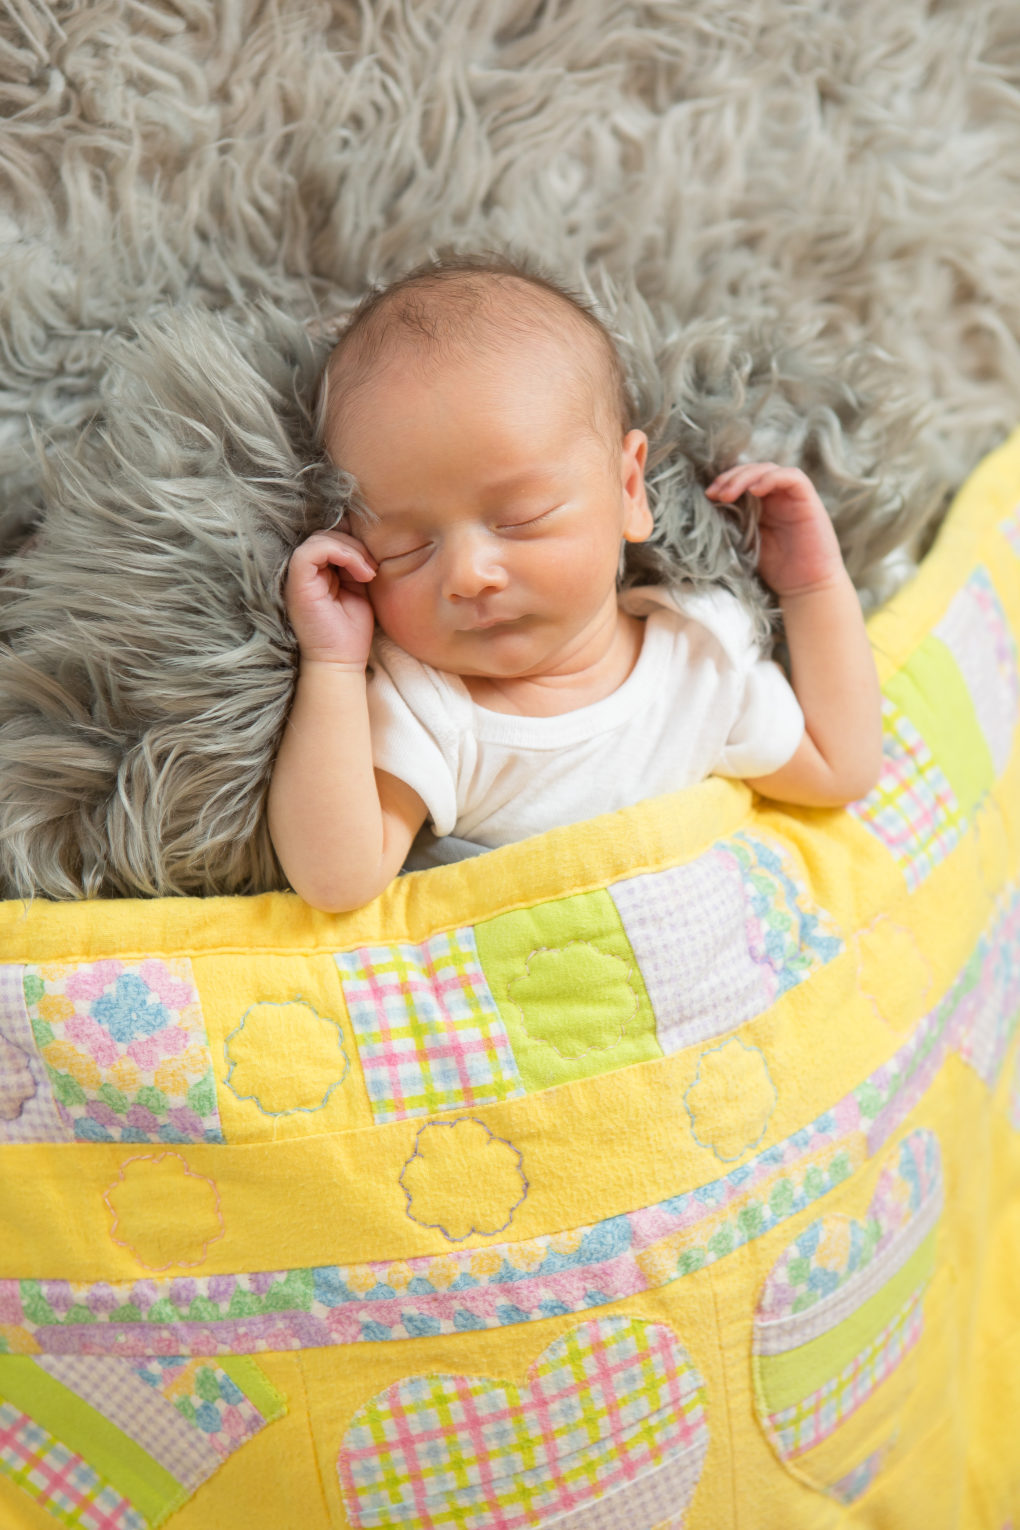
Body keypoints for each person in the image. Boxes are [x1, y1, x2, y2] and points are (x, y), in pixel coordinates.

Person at [268, 256, 883, 912]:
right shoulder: (434, 711)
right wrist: (332, 664)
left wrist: (814, 586)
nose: (469, 575)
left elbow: (839, 767)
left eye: (519, 519)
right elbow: (337, 880)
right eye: (408, 548)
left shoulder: (700, 659)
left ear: (628, 490)